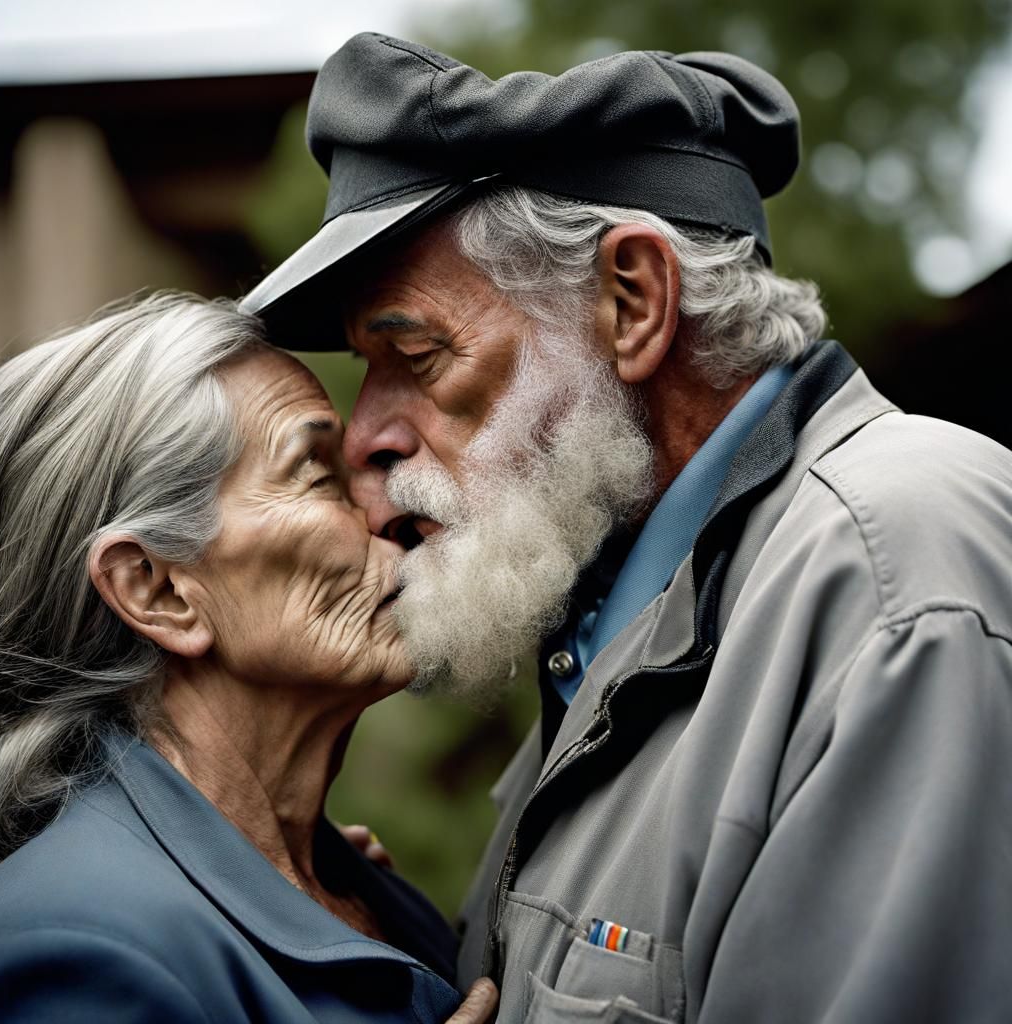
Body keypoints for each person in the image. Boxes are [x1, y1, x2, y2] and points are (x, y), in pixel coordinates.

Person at [241, 33, 1012, 1024]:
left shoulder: (896, 569)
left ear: (633, 302)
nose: (365, 439)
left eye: (418, 356)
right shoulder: (619, 609)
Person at [0, 293, 497, 1023]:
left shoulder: (350, 888)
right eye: (318, 473)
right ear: (158, 590)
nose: (385, 512)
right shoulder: (84, 946)